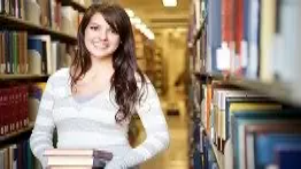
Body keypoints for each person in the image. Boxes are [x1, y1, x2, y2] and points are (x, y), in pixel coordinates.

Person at [29, 2, 170, 169]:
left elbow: (161, 136)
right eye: (95, 28)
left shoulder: (134, 81)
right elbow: (39, 135)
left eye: (112, 30)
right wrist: (49, 161)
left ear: (122, 38)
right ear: (83, 31)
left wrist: (122, 163)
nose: (103, 37)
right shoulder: (57, 81)